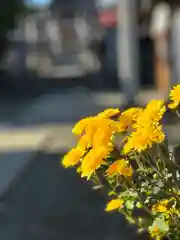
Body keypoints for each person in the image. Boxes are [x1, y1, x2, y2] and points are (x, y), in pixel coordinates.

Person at [150, 0, 171, 98]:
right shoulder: (157, 9)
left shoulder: (163, 8)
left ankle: (165, 90)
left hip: (163, 41)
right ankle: (161, 88)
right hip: (158, 40)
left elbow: (164, 29)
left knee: (164, 64)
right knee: (159, 64)